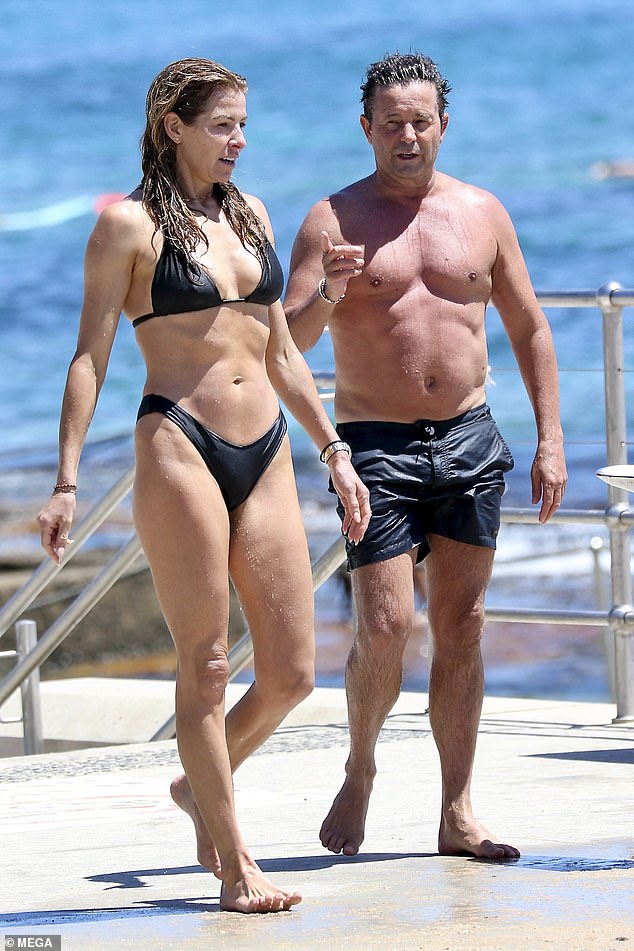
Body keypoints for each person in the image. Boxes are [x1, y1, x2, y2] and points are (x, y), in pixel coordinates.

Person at [36, 57, 370, 913]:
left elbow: (282, 354)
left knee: (294, 669)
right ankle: (234, 863)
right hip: (177, 442)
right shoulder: (128, 227)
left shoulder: (250, 214)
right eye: (222, 125)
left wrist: (334, 449)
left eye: (243, 124)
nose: (239, 140)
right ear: (172, 126)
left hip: (265, 447)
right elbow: (90, 355)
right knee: (210, 663)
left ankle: (199, 784)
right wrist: (68, 480)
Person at [284, 51, 567, 861]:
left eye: (421, 121)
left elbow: (530, 327)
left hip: (471, 437)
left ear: (443, 125)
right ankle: (362, 765)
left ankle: (457, 810)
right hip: (374, 443)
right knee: (384, 622)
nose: (407, 136)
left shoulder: (482, 212)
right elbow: (285, 344)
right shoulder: (330, 221)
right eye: (391, 123)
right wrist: (330, 291)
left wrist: (550, 438)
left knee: (464, 624)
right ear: (365, 127)